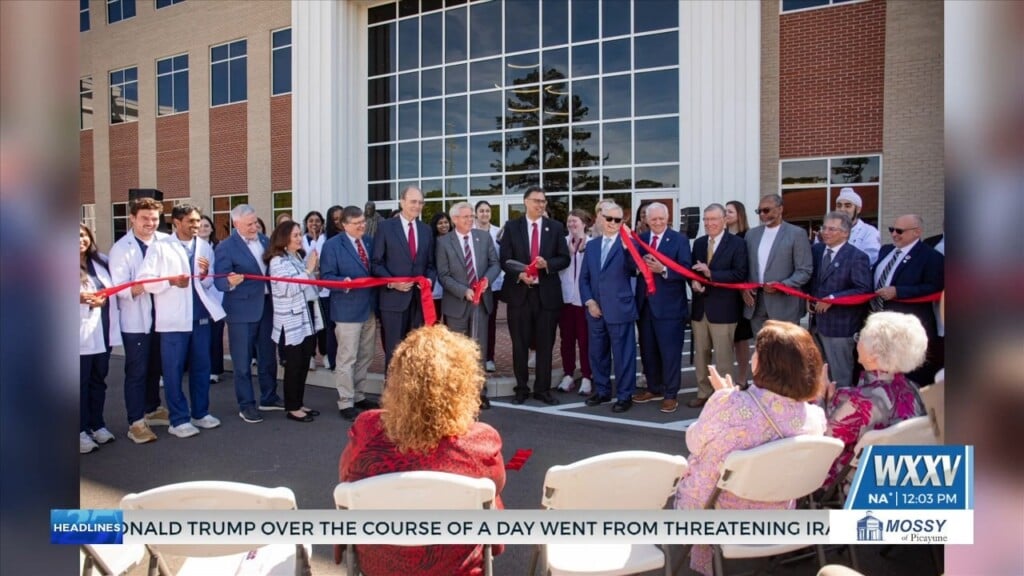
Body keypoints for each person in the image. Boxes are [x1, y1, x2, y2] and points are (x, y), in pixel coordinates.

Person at [339, 325, 505, 575]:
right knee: (487, 496)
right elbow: (497, 487)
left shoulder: (367, 431)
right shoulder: (480, 442)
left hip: (381, 564)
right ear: (462, 384)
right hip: (454, 567)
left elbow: (346, 477)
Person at [674, 320, 827, 576]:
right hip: (779, 510)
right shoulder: (814, 418)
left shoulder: (729, 405)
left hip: (721, 511)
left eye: (758, 351)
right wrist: (729, 397)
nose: (753, 355)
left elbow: (695, 441)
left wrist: (723, 399)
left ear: (766, 364)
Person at [139, 204, 226, 438]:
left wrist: (207, 276)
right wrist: (170, 282)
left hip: (200, 318)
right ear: (176, 223)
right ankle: (178, 419)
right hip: (174, 320)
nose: (196, 225)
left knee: (202, 367)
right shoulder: (160, 247)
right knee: (173, 371)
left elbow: (207, 284)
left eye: (198, 221)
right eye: (191, 221)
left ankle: (200, 412)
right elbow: (145, 281)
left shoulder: (205, 247)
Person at [823, 312, 927, 490]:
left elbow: (823, 444)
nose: (857, 342)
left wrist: (820, 398)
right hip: (906, 478)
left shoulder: (858, 401)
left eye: (860, 337)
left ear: (874, 355)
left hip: (858, 483)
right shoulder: (914, 389)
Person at [499, 186, 571, 405]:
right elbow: (505, 259)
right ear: (526, 202)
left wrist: (547, 264)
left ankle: (542, 389)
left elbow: (564, 258)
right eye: (536, 201)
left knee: (545, 344)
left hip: (546, 295)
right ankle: (521, 388)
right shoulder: (512, 227)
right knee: (519, 344)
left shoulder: (555, 227)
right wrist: (520, 275)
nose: (541, 205)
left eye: (543, 201)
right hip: (520, 295)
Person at [214, 204, 283, 424]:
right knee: (242, 362)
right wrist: (229, 282)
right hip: (241, 311)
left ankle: (269, 397)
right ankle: (246, 405)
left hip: (267, 306)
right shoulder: (226, 247)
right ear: (236, 224)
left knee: (268, 356)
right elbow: (219, 281)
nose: (255, 227)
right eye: (250, 224)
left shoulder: (264, 240)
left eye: (255, 222)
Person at [108, 197, 169, 444]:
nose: (150, 223)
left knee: (156, 367)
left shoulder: (165, 242)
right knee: (137, 371)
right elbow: (119, 288)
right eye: (145, 218)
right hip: (136, 322)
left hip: (163, 317)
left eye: (154, 218)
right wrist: (145, 285)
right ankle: (135, 422)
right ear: (132, 218)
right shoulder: (121, 248)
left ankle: (152, 408)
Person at [436, 202, 500, 409]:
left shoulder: (483, 237)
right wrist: (464, 291)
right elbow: (443, 275)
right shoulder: (444, 242)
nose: (470, 219)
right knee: (457, 351)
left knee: (478, 349)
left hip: (481, 303)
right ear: (454, 219)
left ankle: (479, 392)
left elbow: (495, 264)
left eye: (471, 216)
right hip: (457, 304)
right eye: (465, 217)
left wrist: (486, 282)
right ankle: (458, 393)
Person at [320, 206, 381, 421]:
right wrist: (343, 283)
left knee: (365, 356)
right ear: (344, 225)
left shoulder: (370, 242)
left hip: (369, 309)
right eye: (357, 224)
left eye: (363, 222)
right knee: (347, 357)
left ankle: (359, 395)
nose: (362, 226)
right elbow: (326, 276)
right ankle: (345, 401)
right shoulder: (332, 246)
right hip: (346, 310)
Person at [633, 202, 692, 413]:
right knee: (648, 351)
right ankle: (653, 387)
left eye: (661, 219)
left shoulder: (679, 240)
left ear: (668, 219)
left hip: (670, 308)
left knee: (670, 353)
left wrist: (663, 269)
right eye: (653, 219)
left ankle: (670, 394)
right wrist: (639, 267)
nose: (657, 223)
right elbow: (630, 265)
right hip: (645, 305)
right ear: (646, 220)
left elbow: (686, 269)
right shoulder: (640, 240)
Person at [872, 214, 944, 384]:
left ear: (917, 232)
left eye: (900, 231)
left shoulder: (931, 257)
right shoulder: (886, 250)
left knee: (910, 378)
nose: (894, 234)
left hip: (908, 327)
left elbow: (934, 287)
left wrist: (899, 291)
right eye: (892, 229)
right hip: (882, 324)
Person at [689, 204, 749, 408]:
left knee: (724, 357)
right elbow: (692, 271)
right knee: (701, 354)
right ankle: (703, 392)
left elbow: (740, 274)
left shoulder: (737, 244)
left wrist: (711, 274)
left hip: (724, 309)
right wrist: (694, 282)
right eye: (706, 219)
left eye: (713, 219)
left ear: (724, 220)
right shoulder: (698, 243)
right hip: (700, 309)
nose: (709, 223)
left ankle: (725, 396)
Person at [580, 203, 638, 413]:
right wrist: (589, 301)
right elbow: (584, 277)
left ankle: (624, 395)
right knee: (597, 353)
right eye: (609, 218)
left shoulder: (628, 244)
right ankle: (602, 390)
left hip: (620, 309)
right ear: (601, 219)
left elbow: (634, 270)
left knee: (623, 355)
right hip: (596, 311)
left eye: (617, 220)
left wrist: (628, 248)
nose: (612, 223)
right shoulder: (593, 245)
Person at [372, 186, 436, 373]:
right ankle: (392, 397)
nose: (417, 206)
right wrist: (392, 282)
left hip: (418, 301)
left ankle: (411, 397)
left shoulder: (426, 230)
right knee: (395, 352)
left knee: (416, 352)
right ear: (402, 202)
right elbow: (376, 263)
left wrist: (429, 280)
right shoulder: (385, 227)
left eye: (420, 202)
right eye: (413, 202)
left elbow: (431, 265)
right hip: (393, 300)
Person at [266, 220, 324, 423]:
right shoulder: (277, 261)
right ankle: (292, 406)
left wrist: (311, 270)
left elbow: (306, 282)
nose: (300, 238)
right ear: (284, 239)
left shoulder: (296, 256)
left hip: (306, 316)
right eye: (296, 235)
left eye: (300, 234)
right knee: (294, 364)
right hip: (290, 320)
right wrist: (308, 271)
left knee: (304, 362)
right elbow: (287, 289)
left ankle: (299, 402)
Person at [804, 212, 871, 389]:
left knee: (841, 376)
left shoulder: (857, 257)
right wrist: (807, 300)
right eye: (824, 228)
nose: (826, 232)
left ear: (845, 233)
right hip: (817, 324)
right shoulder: (816, 251)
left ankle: (843, 412)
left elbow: (863, 289)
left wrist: (834, 299)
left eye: (832, 229)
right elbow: (811, 279)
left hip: (840, 327)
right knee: (819, 374)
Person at [742, 194, 813, 334]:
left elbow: (805, 270)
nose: (762, 214)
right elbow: (744, 267)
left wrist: (784, 285)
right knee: (761, 349)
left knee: (785, 350)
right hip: (756, 304)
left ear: (780, 209)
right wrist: (744, 288)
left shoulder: (797, 234)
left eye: (766, 210)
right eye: (759, 211)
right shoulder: (751, 235)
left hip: (784, 305)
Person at [79, 224, 122, 453]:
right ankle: (79, 430)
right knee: (78, 384)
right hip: (78, 336)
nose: (80, 240)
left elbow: (113, 289)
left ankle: (97, 425)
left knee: (98, 381)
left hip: (102, 332)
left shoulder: (101, 261)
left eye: (83, 235)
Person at [557, 209, 593, 395]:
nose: (571, 224)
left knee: (585, 340)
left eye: (575, 221)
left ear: (584, 223)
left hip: (584, 300)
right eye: (569, 221)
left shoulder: (593, 243)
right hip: (565, 299)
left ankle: (587, 376)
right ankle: (568, 374)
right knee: (567, 340)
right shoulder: (562, 243)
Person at [725, 200, 753, 384]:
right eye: (725, 211)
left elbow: (749, 266)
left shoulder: (748, 236)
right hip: (725, 294)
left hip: (741, 293)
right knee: (728, 339)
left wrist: (746, 289)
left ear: (739, 215)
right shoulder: (722, 236)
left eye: (730, 212)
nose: (726, 215)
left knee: (741, 339)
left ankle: (743, 377)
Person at [473, 200, 502, 373]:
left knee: (490, 322)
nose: (484, 214)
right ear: (476, 213)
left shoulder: (498, 233)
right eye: (481, 211)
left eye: (487, 211)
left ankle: (489, 357)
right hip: (473, 285)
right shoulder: (470, 231)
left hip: (493, 285)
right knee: (473, 322)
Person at [301, 210, 331, 371]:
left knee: (324, 325)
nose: (314, 224)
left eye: (317, 221)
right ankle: (311, 356)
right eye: (311, 221)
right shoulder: (301, 240)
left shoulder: (327, 240)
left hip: (324, 290)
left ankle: (326, 355)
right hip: (308, 289)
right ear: (306, 223)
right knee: (311, 324)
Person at [198, 215, 226, 384]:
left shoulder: (219, 247)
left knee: (216, 334)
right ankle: (200, 368)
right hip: (200, 294)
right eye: (200, 226)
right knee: (202, 335)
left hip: (217, 295)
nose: (203, 228)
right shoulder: (191, 248)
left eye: (206, 225)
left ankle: (215, 370)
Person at [833, 187, 881, 265]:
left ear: (858, 209)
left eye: (847, 206)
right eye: (839, 206)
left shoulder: (869, 232)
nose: (842, 209)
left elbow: (869, 259)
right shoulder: (828, 231)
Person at [429, 211, 452, 324]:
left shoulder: (455, 240)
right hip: (436, 286)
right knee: (434, 321)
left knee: (450, 322)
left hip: (452, 286)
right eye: (440, 223)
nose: (444, 225)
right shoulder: (431, 241)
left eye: (446, 222)